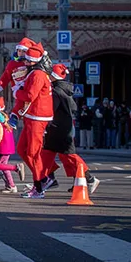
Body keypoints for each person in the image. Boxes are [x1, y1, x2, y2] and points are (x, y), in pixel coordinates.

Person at [41, 64, 99, 194]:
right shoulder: (64, 89)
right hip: (61, 127)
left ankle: (88, 178)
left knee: (68, 155)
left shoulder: (56, 91)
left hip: (58, 128)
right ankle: (49, 179)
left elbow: (50, 110)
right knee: (53, 155)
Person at [10, 43, 54, 198]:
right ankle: (43, 178)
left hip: (37, 116)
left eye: (27, 61)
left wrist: (17, 92)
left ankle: (39, 187)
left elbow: (29, 96)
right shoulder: (34, 73)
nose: (25, 64)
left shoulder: (37, 75)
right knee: (22, 149)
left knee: (33, 153)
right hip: (31, 116)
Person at [0, 97, 26, 192]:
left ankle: (16, 168)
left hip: (2, 145)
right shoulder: (4, 116)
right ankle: (11, 186)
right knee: (4, 165)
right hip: (8, 144)